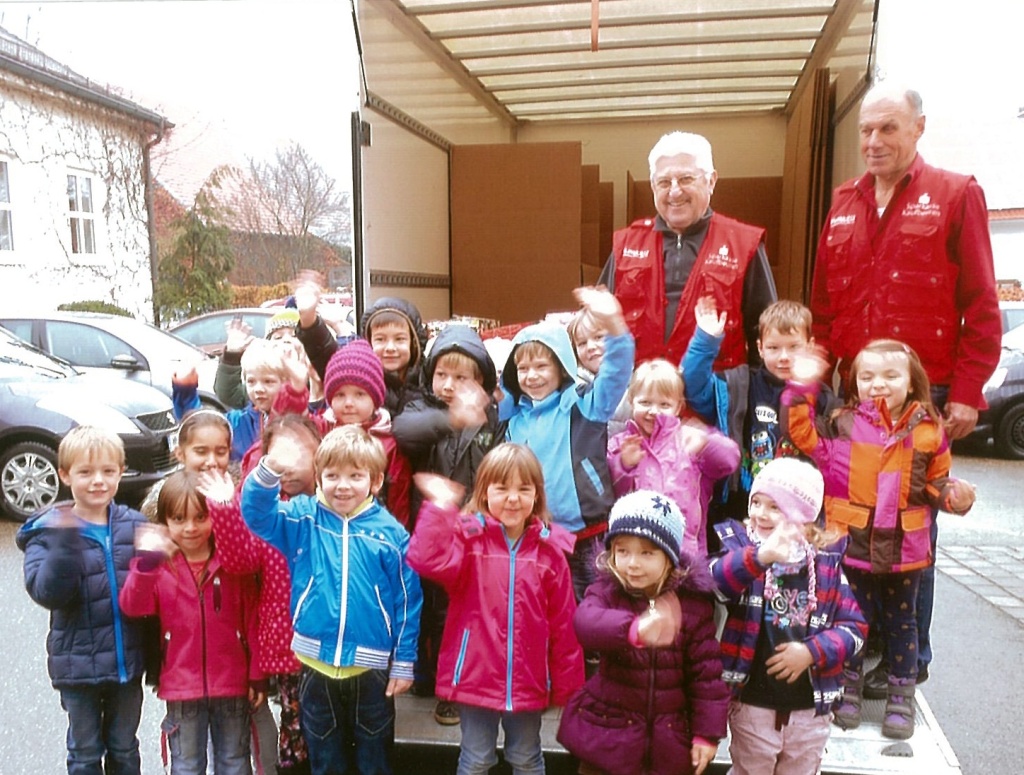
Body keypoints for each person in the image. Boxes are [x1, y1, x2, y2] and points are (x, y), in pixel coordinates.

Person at [809, 83, 1002, 691]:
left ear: (919, 128)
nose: (873, 141)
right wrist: (816, 388)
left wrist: (967, 391)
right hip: (851, 399)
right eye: (867, 130)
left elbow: (981, 302)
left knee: (912, 529)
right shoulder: (842, 203)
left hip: (926, 396)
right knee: (852, 528)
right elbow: (820, 311)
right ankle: (855, 642)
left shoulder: (955, 193)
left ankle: (905, 663)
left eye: (888, 128)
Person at [782, 340, 976, 739]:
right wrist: (803, 386)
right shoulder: (841, 424)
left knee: (903, 624)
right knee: (853, 622)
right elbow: (800, 431)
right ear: (854, 382)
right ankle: (846, 688)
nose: (878, 384)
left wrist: (954, 497)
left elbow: (934, 485)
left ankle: (900, 697)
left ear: (912, 381)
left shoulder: (928, 430)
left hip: (906, 552)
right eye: (867, 376)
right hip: (851, 547)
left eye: (891, 375)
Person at [240, 424, 422, 775]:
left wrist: (403, 661)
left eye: (355, 475)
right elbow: (257, 516)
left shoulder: (391, 534)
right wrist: (270, 468)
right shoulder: (302, 518)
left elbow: (407, 601)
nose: (343, 485)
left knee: (374, 757)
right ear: (318, 477)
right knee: (325, 757)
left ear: (376, 481)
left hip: (371, 671)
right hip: (315, 664)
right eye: (332, 474)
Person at [408, 445, 584, 775]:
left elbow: (564, 627)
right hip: (475, 677)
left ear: (537, 494)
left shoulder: (549, 553)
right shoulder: (468, 540)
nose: (513, 498)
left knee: (527, 757)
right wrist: (440, 507)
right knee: (475, 759)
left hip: (528, 681)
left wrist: (567, 687)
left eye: (523, 488)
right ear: (485, 491)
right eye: (502, 488)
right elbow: (425, 559)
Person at [709, 458, 867, 775]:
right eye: (756, 502)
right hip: (753, 700)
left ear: (803, 517)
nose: (760, 514)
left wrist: (811, 652)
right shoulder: (742, 550)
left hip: (810, 707)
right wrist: (760, 558)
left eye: (774, 507)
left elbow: (855, 629)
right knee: (750, 769)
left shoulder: (827, 566)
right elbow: (716, 583)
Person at [557, 490, 730, 775]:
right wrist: (633, 630)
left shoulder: (692, 606)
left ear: (670, 557)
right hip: (608, 737)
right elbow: (586, 623)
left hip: (667, 743)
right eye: (622, 551)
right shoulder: (606, 590)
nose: (633, 563)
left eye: (647, 552)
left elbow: (707, 678)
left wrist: (706, 735)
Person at [17, 426, 150, 775]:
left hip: (127, 666)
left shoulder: (135, 526)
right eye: (86, 472)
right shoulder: (47, 532)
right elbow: (46, 593)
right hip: (77, 669)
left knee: (124, 747)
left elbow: (153, 594)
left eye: (108, 471)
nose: (98, 481)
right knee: (85, 752)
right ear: (64, 474)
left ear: (122, 472)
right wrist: (65, 544)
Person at [390, 323, 502, 725]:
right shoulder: (422, 409)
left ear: (482, 381)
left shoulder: (494, 417)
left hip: (475, 531)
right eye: (442, 374)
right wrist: (453, 418)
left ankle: (457, 688)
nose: (450, 384)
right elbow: (404, 431)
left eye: (462, 377)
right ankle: (430, 678)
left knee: (465, 611)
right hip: (432, 529)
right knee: (431, 610)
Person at [120, 470, 262, 775]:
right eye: (179, 519)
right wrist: (145, 564)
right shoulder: (158, 566)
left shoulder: (231, 561)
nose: (191, 527)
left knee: (235, 763)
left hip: (232, 684)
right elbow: (133, 606)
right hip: (181, 686)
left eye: (200, 517)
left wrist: (257, 674)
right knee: (186, 765)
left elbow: (251, 619)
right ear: (165, 522)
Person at [499, 286, 634, 600]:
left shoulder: (584, 405)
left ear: (562, 368)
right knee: (551, 619)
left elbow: (616, 374)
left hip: (590, 538)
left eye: (542, 366)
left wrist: (614, 325)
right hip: (537, 538)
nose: (532, 376)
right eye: (523, 369)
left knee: (597, 615)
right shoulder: (512, 421)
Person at [598, 131, 777, 369]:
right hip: (640, 397)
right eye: (664, 182)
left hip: (716, 398)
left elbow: (766, 333)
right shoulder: (626, 246)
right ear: (653, 186)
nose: (674, 191)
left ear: (711, 181)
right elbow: (596, 328)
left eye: (685, 179)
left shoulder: (744, 245)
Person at [207, 414, 323, 775]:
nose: (287, 465)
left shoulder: (333, 502)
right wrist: (225, 508)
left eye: (297, 453)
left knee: (328, 726)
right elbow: (241, 561)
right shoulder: (266, 511)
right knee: (296, 723)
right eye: (277, 455)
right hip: (288, 641)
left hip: (332, 640)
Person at [682, 298, 839, 523]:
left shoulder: (823, 398)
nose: (784, 356)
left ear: (810, 346)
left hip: (797, 518)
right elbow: (693, 387)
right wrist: (705, 340)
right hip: (740, 510)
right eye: (774, 348)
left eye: (794, 347)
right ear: (760, 348)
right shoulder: (740, 384)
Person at [607, 358, 739, 558]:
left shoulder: (689, 438)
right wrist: (623, 466)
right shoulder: (620, 444)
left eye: (664, 404)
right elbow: (610, 495)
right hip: (634, 550)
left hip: (685, 551)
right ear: (631, 401)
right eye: (645, 402)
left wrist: (705, 442)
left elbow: (729, 460)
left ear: (678, 407)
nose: (654, 411)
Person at [174, 338, 296, 461]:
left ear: (286, 382)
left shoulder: (298, 417)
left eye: (268, 381)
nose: (258, 389)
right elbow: (198, 423)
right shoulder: (240, 422)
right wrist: (185, 389)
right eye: (251, 381)